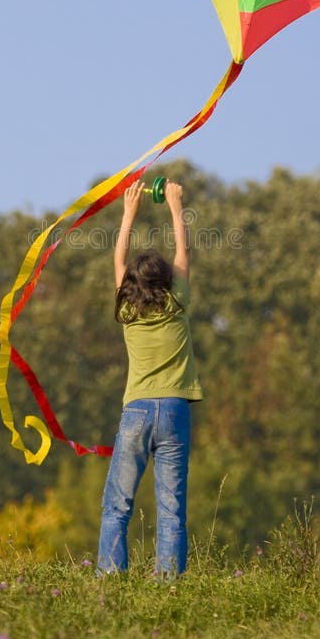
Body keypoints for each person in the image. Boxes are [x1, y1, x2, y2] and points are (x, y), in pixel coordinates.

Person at [97, 178, 202, 576]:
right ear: (169, 281)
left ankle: (109, 581)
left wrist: (129, 213)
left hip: (137, 411)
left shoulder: (126, 311)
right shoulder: (178, 303)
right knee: (172, 510)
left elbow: (118, 261)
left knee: (117, 505)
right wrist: (176, 206)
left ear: (130, 286)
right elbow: (184, 252)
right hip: (175, 410)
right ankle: (169, 583)